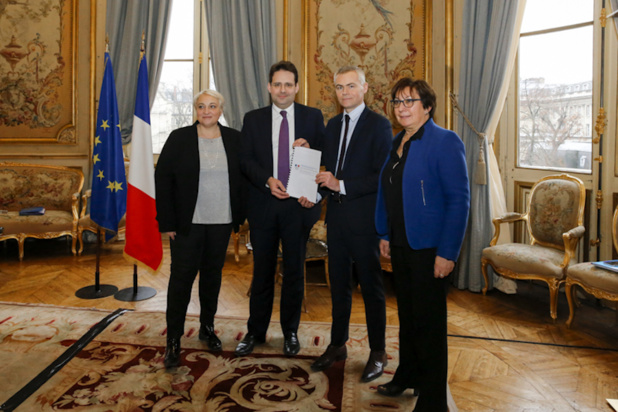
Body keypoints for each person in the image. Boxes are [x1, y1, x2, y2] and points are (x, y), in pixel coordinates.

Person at [374, 78, 470, 410]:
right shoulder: (398, 141)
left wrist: (447, 253)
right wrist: (385, 233)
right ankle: (407, 375)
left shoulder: (445, 141)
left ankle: (432, 401)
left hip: (430, 249)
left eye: (409, 101)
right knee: (409, 316)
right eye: (397, 102)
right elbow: (387, 190)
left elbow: (459, 201)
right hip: (401, 244)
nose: (401, 108)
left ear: (427, 106)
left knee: (429, 325)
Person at [236, 61, 325, 357]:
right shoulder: (253, 119)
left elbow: (328, 157)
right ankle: (255, 331)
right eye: (277, 84)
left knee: (294, 272)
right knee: (261, 271)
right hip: (263, 206)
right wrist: (267, 180)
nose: (283, 90)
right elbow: (245, 160)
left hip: (298, 208)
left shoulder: (313, 117)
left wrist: (311, 146)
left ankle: (290, 332)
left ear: (297, 87)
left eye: (288, 84)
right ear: (269, 87)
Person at [311, 65, 392, 383]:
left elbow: (380, 177)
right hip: (337, 220)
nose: (345, 92)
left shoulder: (380, 125)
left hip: (365, 219)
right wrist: (314, 188)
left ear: (364, 87)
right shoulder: (332, 125)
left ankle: (378, 352)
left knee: (371, 289)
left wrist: (339, 184)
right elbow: (328, 170)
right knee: (339, 287)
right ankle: (337, 345)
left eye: (351, 86)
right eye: (340, 87)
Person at [155, 89, 245, 369]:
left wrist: (240, 217)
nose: (207, 111)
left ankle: (207, 327)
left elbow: (244, 177)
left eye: (213, 106)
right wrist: (167, 222)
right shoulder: (179, 138)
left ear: (221, 110)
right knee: (180, 281)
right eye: (202, 106)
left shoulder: (234, 139)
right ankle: (173, 340)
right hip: (186, 225)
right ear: (196, 110)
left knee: (211, 278)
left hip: (221, 222)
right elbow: (163, 181)